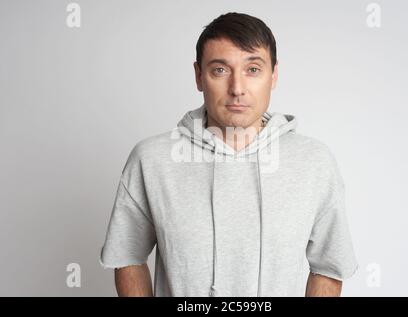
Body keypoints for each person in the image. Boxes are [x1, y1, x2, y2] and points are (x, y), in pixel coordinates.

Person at [99, 12, 358, 297]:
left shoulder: (314, 162)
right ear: (199, 76)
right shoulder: (151, 160)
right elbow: (127, 257)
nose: (237, 89)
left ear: (274, 75)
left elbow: (329, 267)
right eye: (220, 70)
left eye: (253, 69)